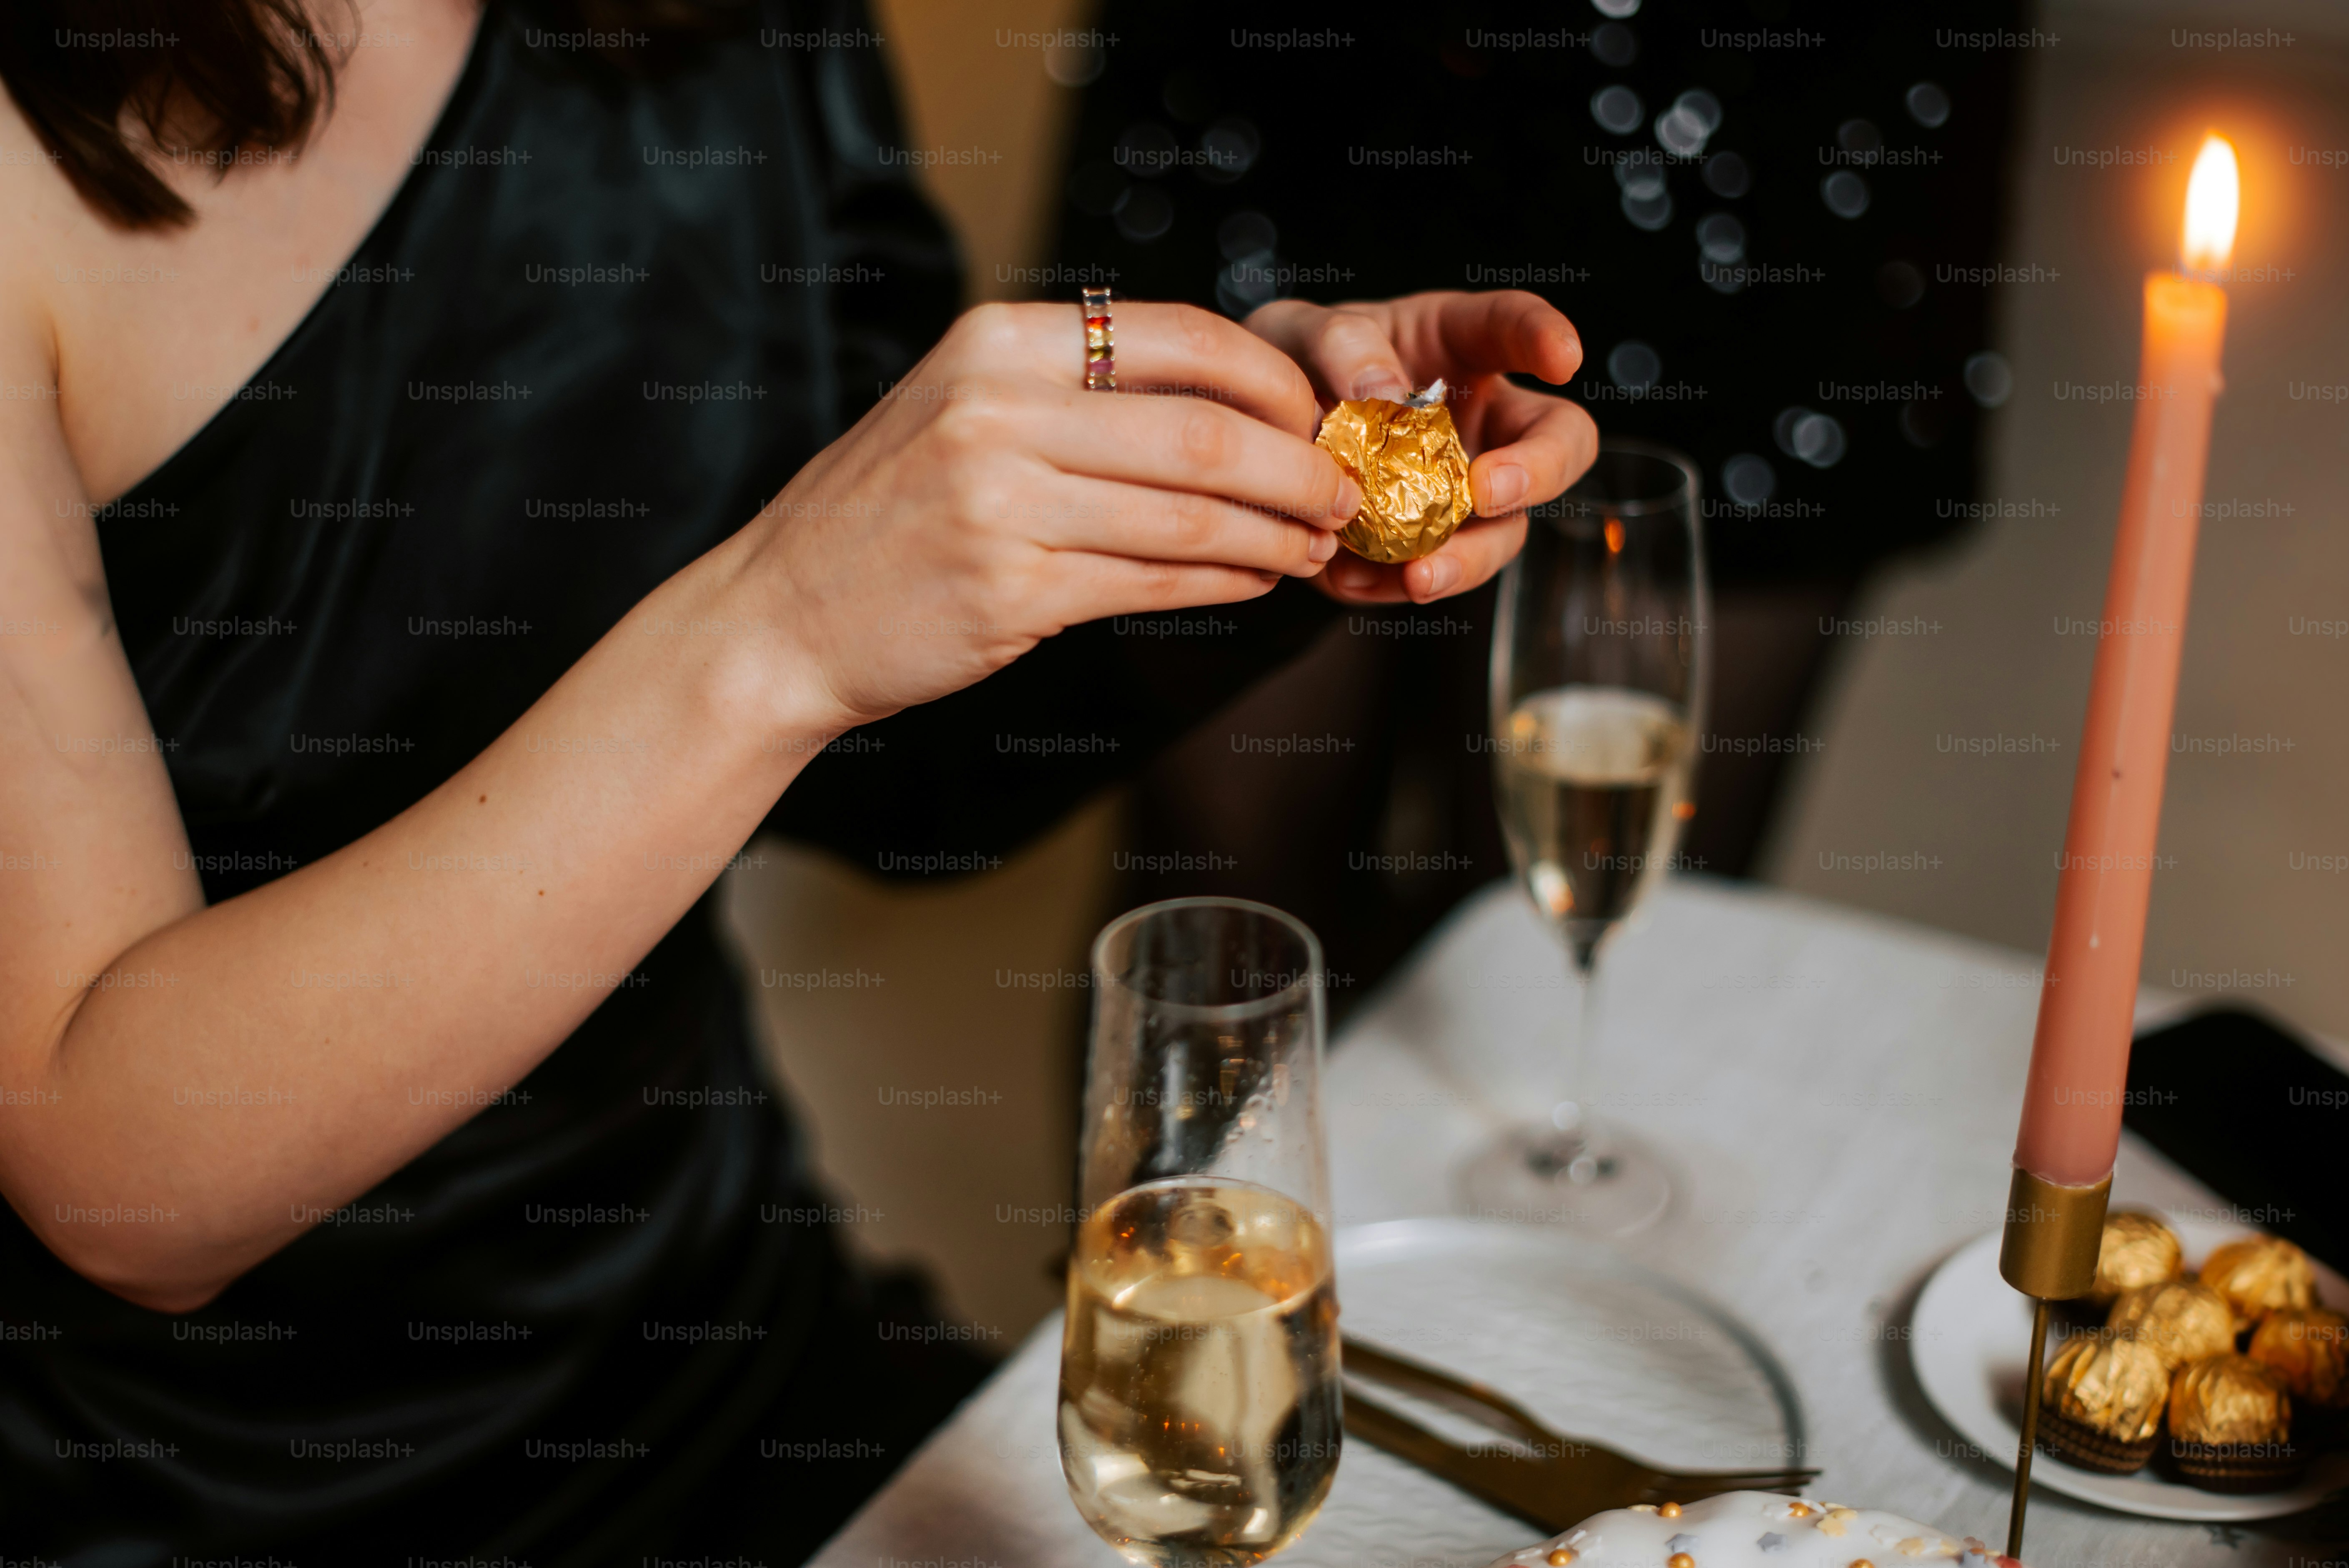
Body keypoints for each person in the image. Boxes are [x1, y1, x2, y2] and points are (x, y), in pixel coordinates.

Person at [0, 0, 1591, 1558]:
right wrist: (779, 620)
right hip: (212, 1486)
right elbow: (125, 1179)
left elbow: (896, 784)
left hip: (724, 1349)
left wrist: (1241, 501)